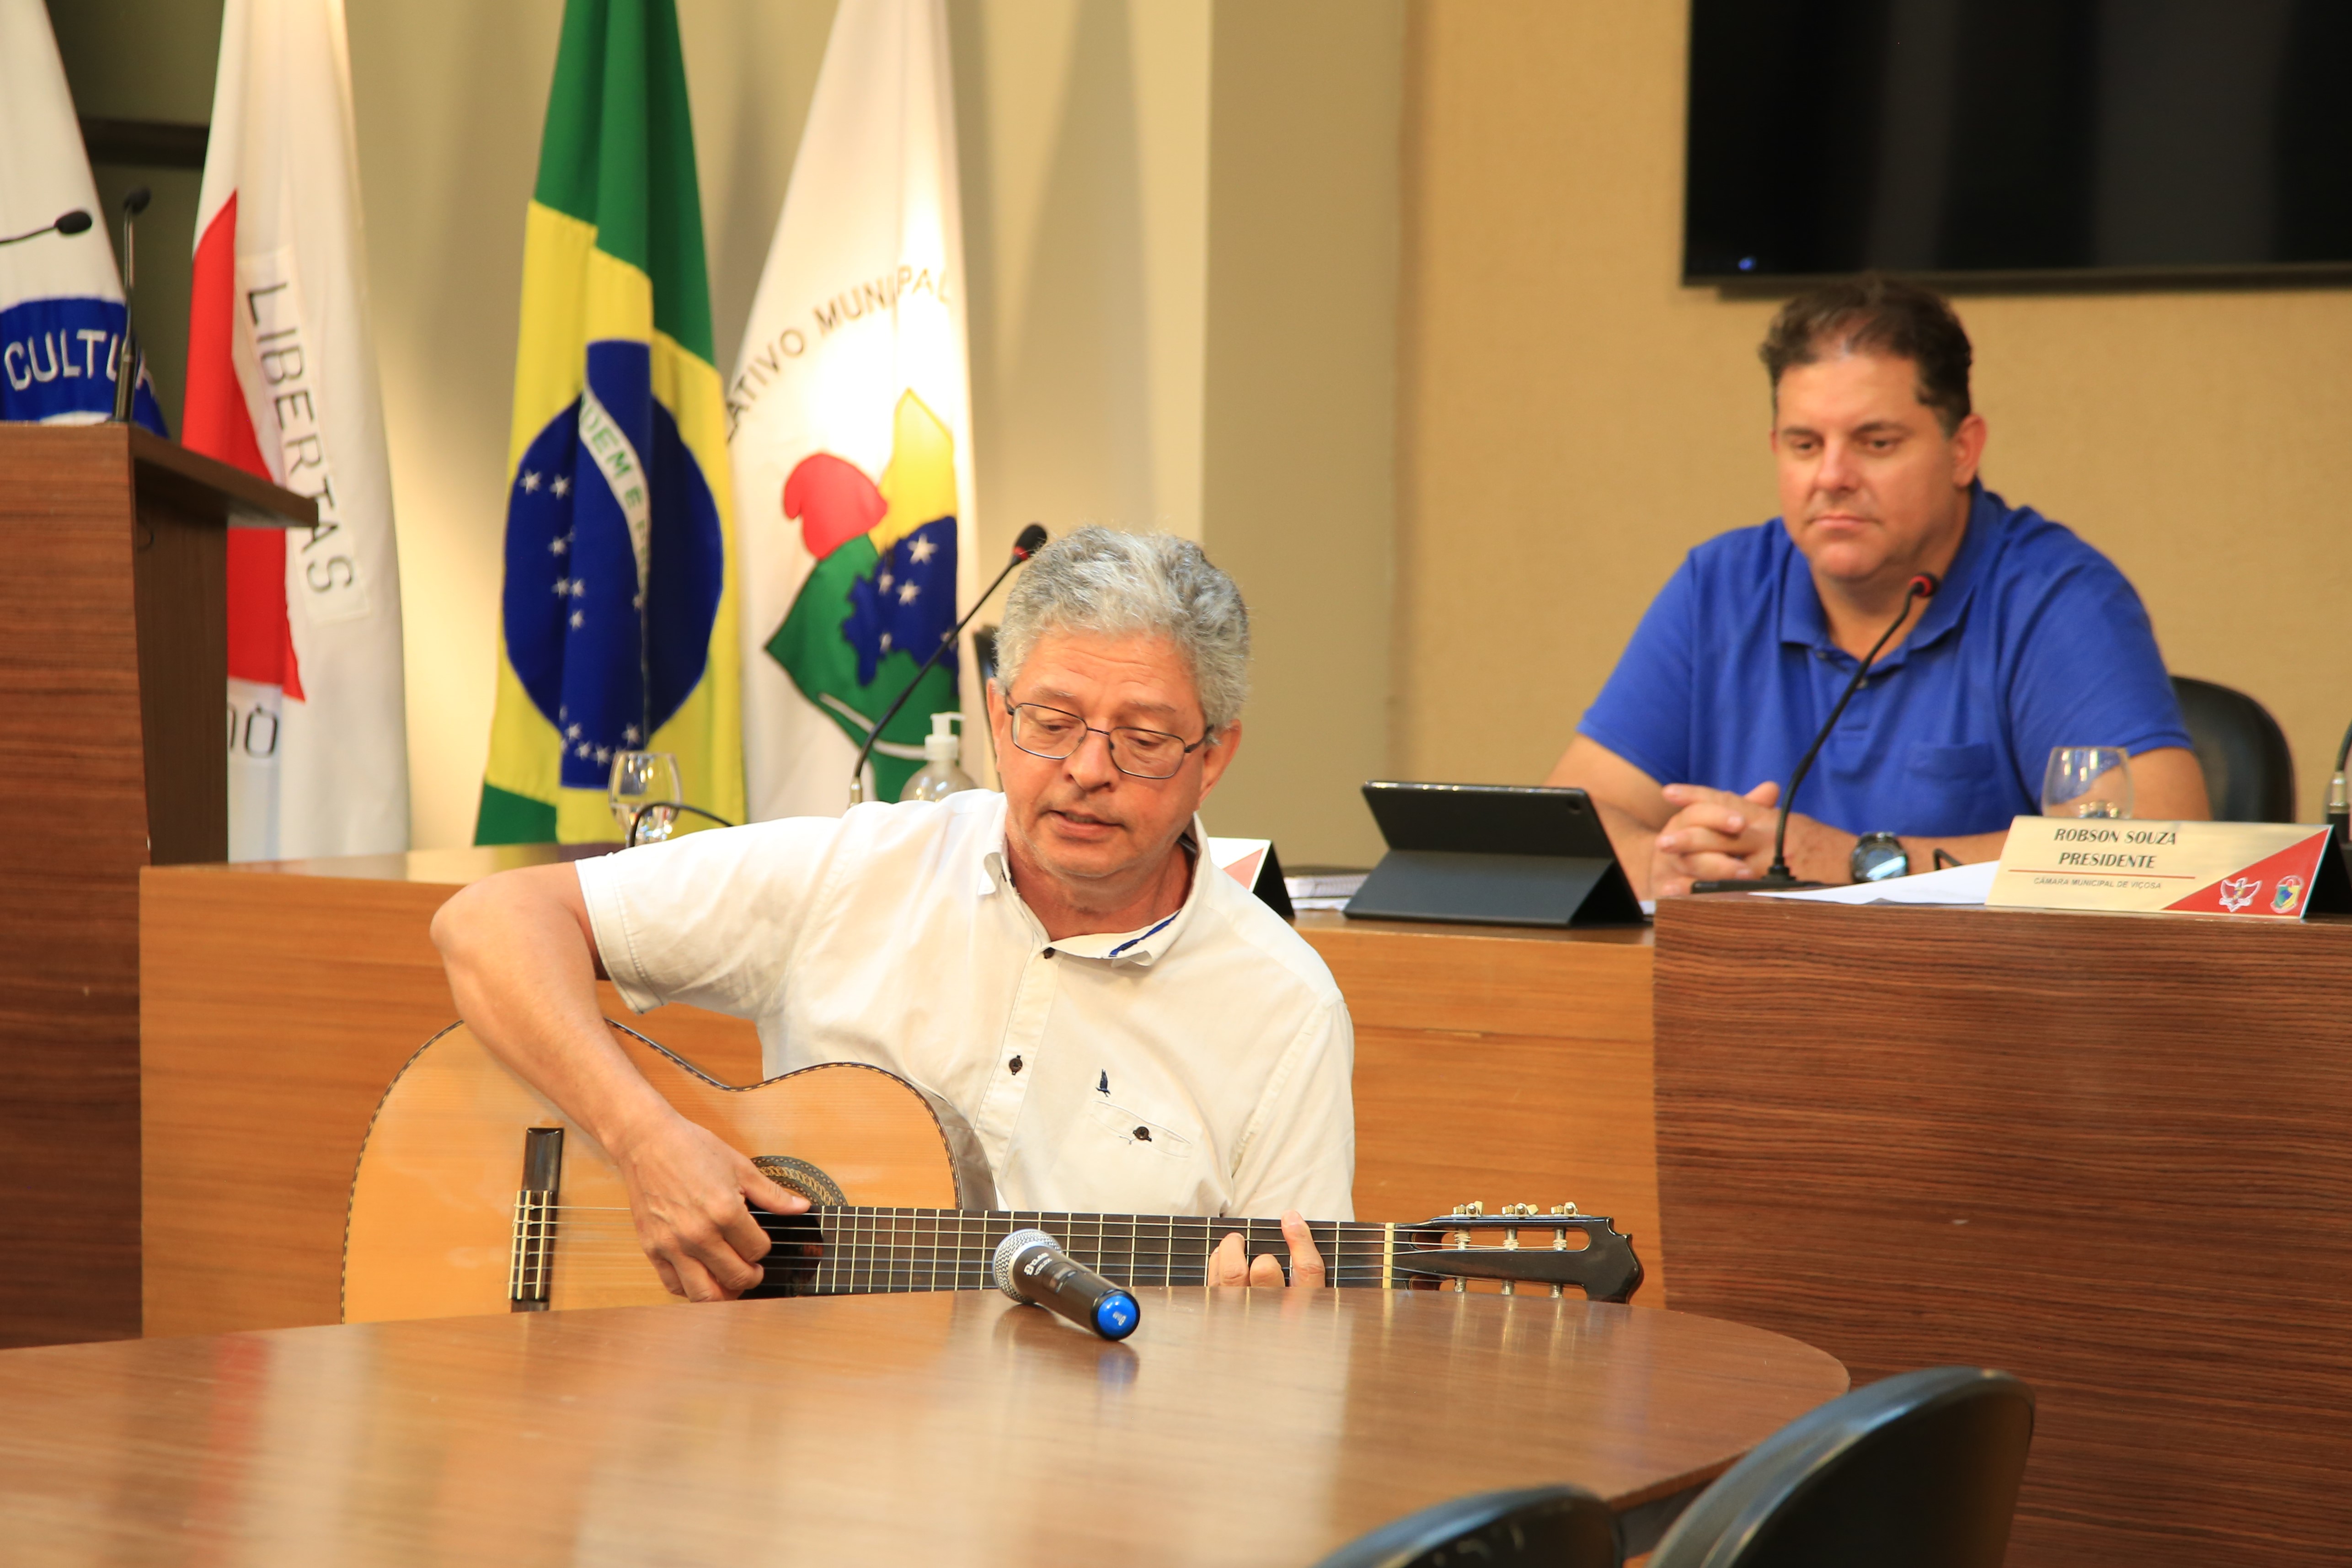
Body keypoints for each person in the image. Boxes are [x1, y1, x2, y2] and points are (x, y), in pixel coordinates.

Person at [433, 528, 1351, 1301]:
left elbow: (1303, 1325)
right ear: (996, 716)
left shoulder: (1282, 1008)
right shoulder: (859, 870)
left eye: (1143, 739)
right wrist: (642, 1138)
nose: (1086, 767)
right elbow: (490, 923)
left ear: (1213, 754)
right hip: (766, 1442)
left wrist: (1264, 1329)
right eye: (1052, 721)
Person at [1547, 275, 2208, 898]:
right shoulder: (1718, 587)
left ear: (1962, 451)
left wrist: (1850, 860)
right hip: (1755, 998)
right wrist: (1660, 865)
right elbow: (1574, 819)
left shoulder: (2058, 598)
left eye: (1876, 442)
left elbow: (2155, 853)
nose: (1832, 475)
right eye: (1805, 445)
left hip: (1983, 1007)